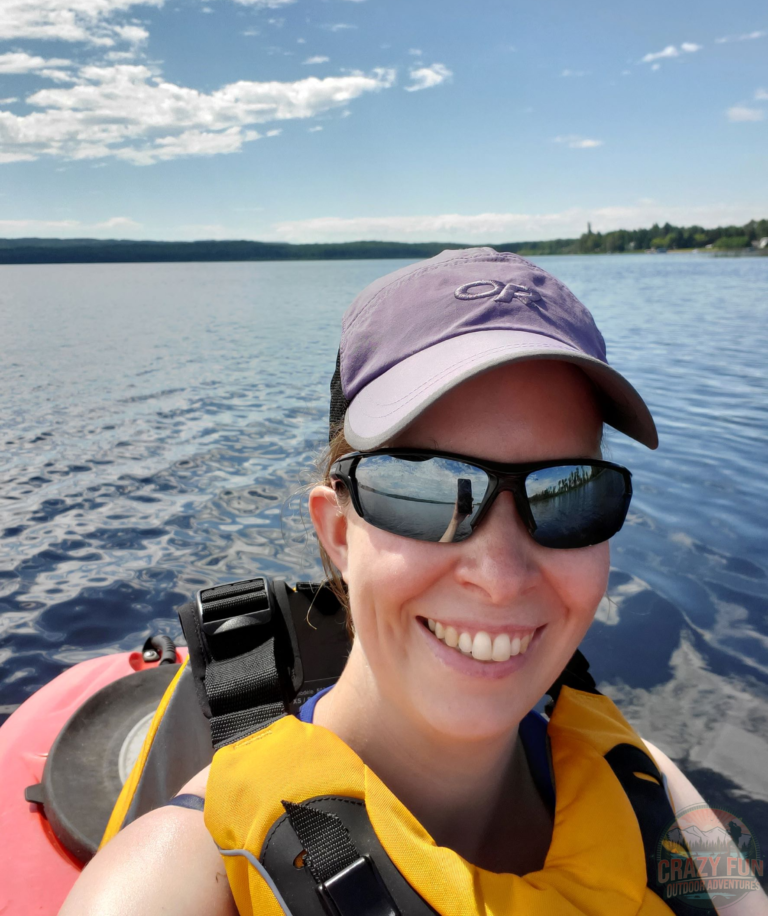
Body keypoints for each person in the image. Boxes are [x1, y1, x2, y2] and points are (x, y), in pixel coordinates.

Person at [60, 248, 767, 916]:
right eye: (426, 491)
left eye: (568, 494)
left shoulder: (651, 790)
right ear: (338, 535)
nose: (500, 576)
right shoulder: (180, 871)